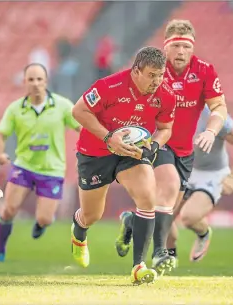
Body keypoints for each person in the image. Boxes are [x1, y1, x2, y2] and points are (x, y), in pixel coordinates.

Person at [115, 19, 228, 275]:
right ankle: (158, 254)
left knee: (166, 218)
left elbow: (219, 106)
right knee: (167, 185)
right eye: (176, 45)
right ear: (165, 47)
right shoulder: (155, 71)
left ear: (193, 48)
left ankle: (131, 221)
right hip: (157, 143)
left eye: (186, 46)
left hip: (186, 153)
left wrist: (211, 130)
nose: (181, 52)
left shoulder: (205, 71)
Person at [71, 46, 176, 285]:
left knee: (147, 198)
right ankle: (79, 232)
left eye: (161, 75)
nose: (157, 81)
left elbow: (165, 128)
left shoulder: (165, 94)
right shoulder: (108, 86)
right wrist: (109, 137)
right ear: (136, 71)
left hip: (132, 151)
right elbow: (78, 111)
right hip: (96, 151)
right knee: (92, 214)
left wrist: (155, 146)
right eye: (152, 75)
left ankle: (139, 266)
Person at [0, 63, 80, 263]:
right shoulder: (15, 109)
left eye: (39, 79)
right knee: (8, 210)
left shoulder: (62, 105)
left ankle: (42, 223)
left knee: (45, 219)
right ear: (24, 82)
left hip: (52, 170)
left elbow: (82, 125)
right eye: (31, 79)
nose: (36, 83)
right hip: (24, 167)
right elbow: (0, 135)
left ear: (46, 81)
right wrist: (0, 154)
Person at [166, 105, 233, 262]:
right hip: (186, 168)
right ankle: (168, 257)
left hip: (212, 174)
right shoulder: (169, 108)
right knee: (163, 216)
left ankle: (203, 233)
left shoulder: (212, 114)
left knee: (189, 217)